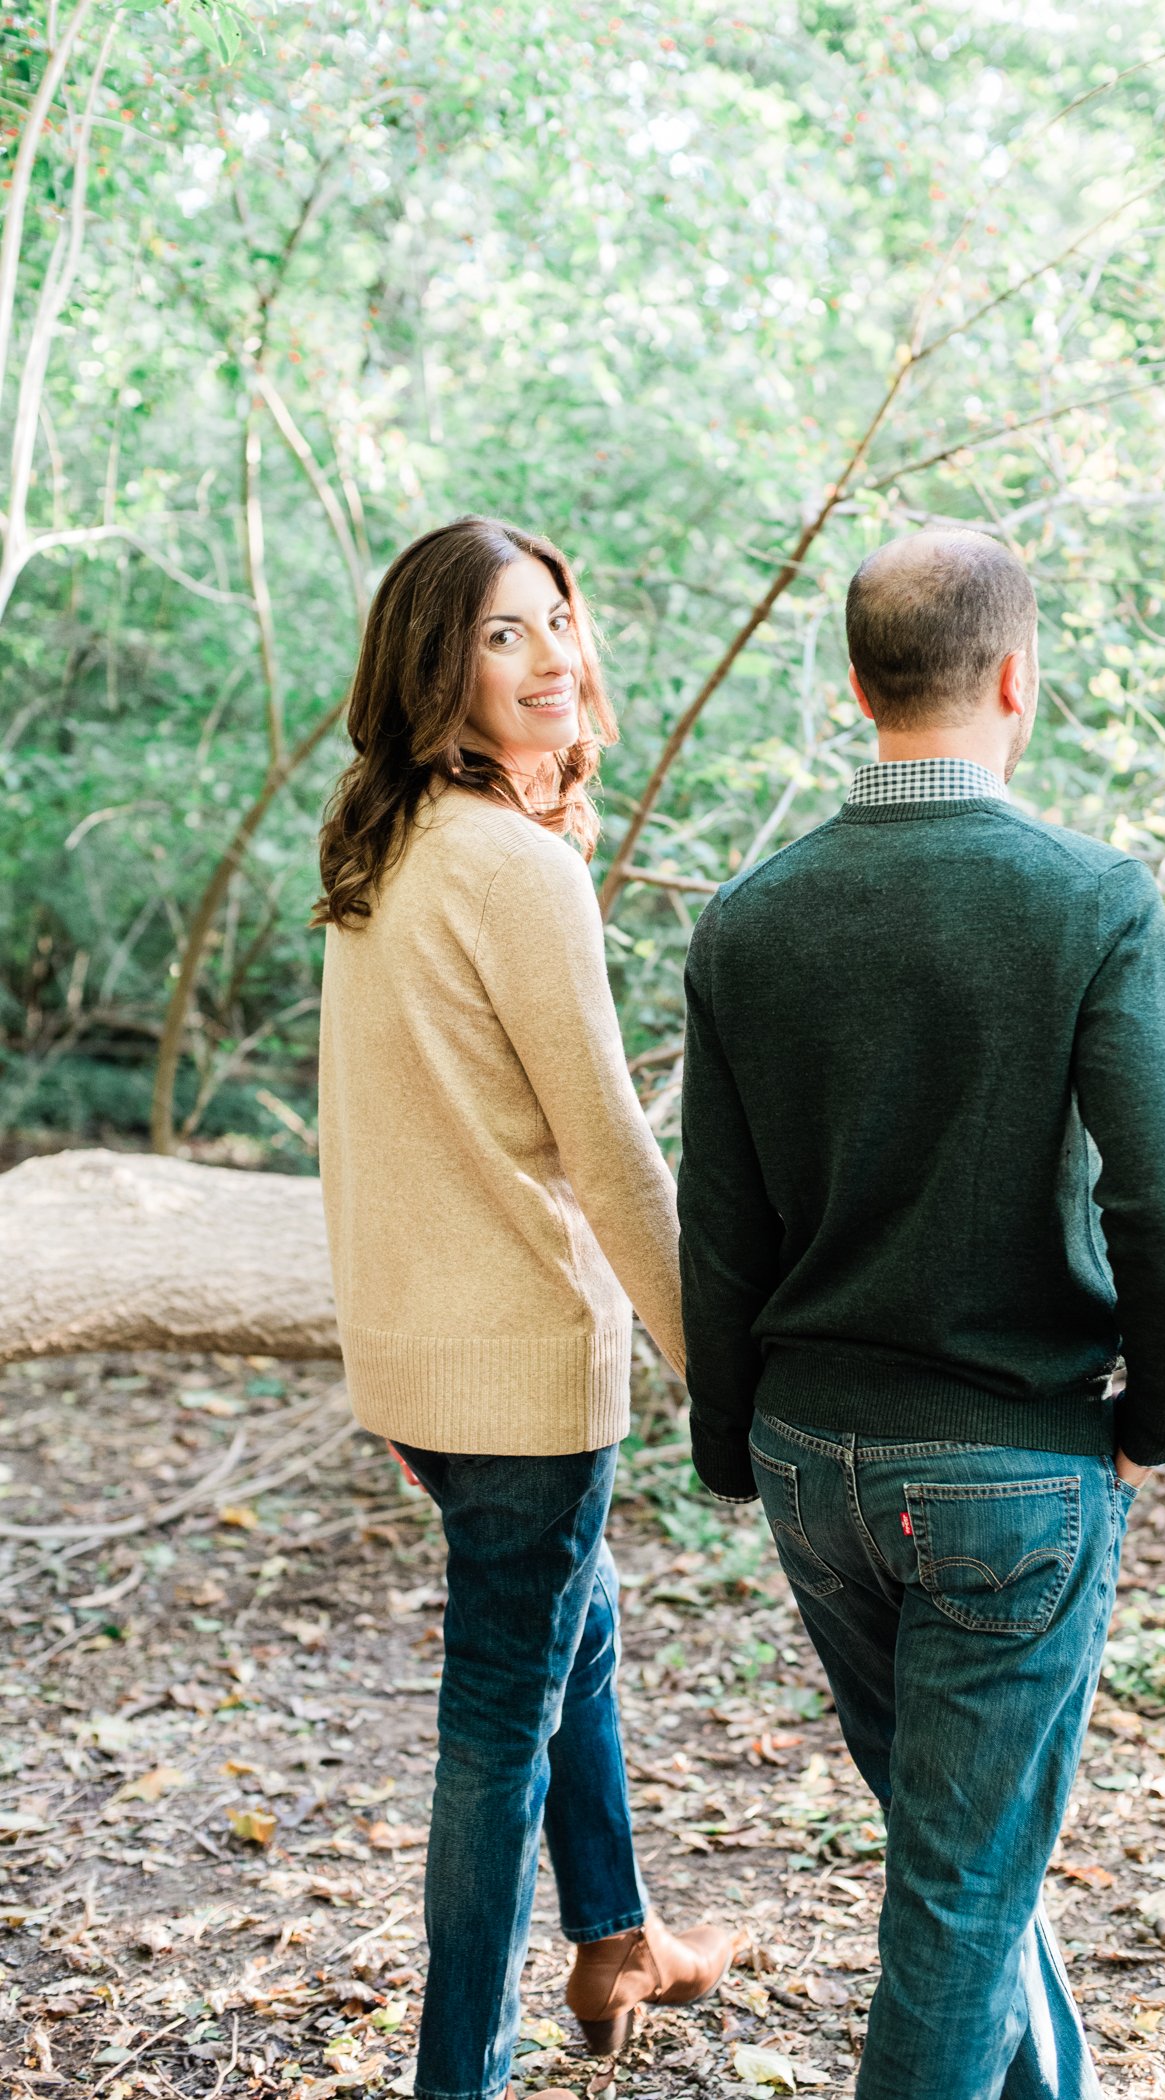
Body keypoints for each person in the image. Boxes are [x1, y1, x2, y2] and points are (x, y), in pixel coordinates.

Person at [677, 528, 1165, 2100]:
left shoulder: (747, 918)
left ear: (856, 686)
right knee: (959, 1889)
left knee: (959, 1858)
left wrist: (729, 1445)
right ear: (1015, 678)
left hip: (808, 1463)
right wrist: (1151, 1418)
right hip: (1006, 1470)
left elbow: (722, 1220)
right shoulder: (1087, 900)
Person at [315, 516, 732, 2100]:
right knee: (496, 1724)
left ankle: (619, 1937)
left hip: (422, 1358)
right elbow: (612, 1155)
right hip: (519, 1365)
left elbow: (375, 1127)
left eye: (557, 617)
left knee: (578, 1629)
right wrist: (719, 1372)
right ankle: (458, 2073)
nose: (553, 655)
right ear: (438, 664)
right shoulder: (515, 865)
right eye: (503, 633)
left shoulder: (386, 842)